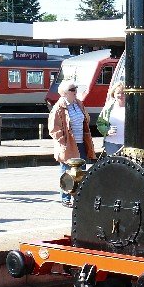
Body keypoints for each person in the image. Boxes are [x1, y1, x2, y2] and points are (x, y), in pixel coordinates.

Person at [48, 79, 96, 207]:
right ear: (64, 93)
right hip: (68, 145)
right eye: (72, 89)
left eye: (75, 89)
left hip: (81, 142)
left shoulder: (78, 104)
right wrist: (64, 142)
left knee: (81, 170)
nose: (75, 92)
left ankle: (79, 197)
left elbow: (86, 119)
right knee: (66, 171)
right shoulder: (59, 107)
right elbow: (54, 129)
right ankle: (65, 198)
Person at [96, 82, 125, 155]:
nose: (121, 95)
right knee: (114, 165)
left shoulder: (132, 106)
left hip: (127, 144)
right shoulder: (108, 107)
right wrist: (107, 131)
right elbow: (100, 123)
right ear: (113, 94)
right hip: (111, 143)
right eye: (118, 93)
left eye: (123, 93)